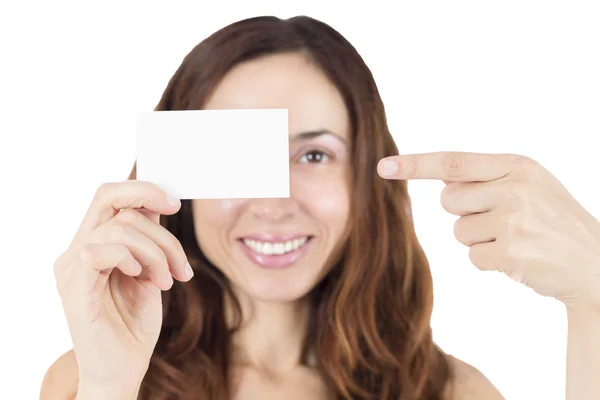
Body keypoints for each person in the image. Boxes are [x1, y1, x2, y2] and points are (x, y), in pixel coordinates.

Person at [40, 15, 600, 400]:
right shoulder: (88, 378)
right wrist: (112, 385)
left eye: (314, 153)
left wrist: (595, 299)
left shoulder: (453, 392)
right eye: (234, 155)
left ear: (366, 179)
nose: (274, 201)